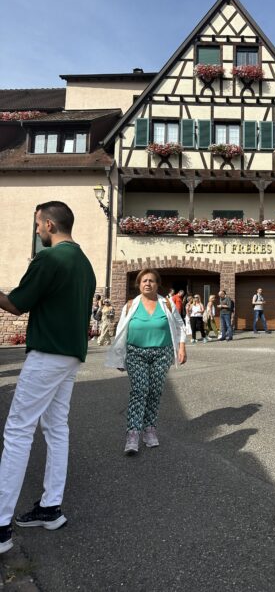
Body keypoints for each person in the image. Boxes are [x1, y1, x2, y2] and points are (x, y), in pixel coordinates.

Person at [0, 201, 96, 555]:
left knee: (18, 430)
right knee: (56, 429)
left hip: (47, 354)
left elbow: (16, 304)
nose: (37, 230)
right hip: (71, 354)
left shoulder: (49, 259)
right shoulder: (85, 264)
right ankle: (50, 508)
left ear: (51, 225)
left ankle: (1, 527)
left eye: (39, 225)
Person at [106, 269, 186, 455]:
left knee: (155, 391)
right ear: (139, 284)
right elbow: (120, 330)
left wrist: (182, 347)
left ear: (157, 284)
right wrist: (119, 356)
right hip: (135, 353)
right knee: (140, 390)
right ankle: (133, 433)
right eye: (144, 281)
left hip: (162, 353)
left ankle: (149, 429)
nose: (148, 283)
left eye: (151, 281)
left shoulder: (166, 304)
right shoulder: (130, 305)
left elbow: (180, 325)